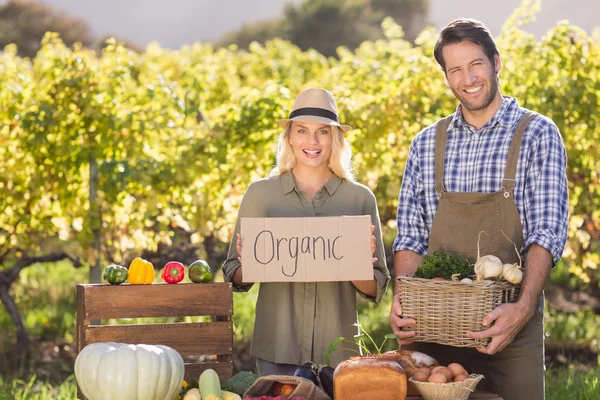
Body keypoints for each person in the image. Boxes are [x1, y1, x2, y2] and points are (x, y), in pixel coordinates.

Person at [389, 18, 568, 400]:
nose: (467, 78)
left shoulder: (536, 133)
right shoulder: (425, 144)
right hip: (433, 330)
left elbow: (547, 232)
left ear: (496, 62)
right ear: (446, 77)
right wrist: (402, 303)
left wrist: (522, 308)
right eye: (455, 69)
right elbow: (410, 236)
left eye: (476, 64)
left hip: (509, 330)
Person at [222, 87, 390, 376]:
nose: (312, 141)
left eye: (323, 132)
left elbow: (376, 287)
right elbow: (234, 274)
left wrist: (354, 260)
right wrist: (250, 265)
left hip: (339, 353)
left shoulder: (359, 198)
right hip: (277, 346)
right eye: (302, 130)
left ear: (335, 138)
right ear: (289, 136)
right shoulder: (260, 195)